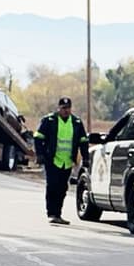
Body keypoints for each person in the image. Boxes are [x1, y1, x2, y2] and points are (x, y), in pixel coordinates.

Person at [32, 96, 89, 225]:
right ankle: (52, 213)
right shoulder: (49, 120)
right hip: (52, 160)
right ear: (59, 108)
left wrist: (86, 158)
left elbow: (83, 141)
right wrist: (40, 154)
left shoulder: (76, 122)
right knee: (52, 186)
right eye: (63, 108)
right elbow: (38, 137)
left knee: (62, 189)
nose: (66, 111)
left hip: (67, 161)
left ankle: (58, 214)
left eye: (68, 108)